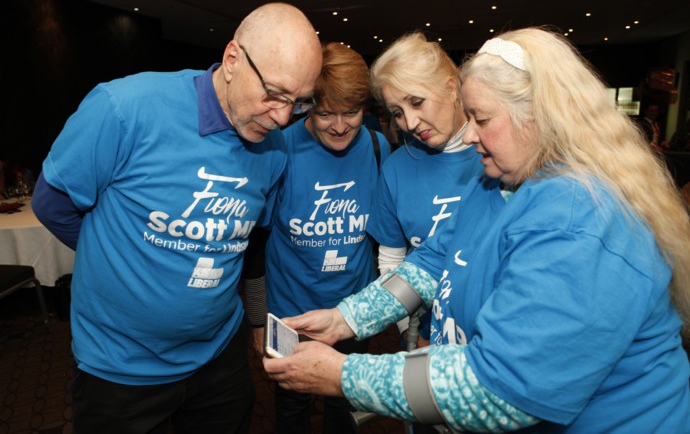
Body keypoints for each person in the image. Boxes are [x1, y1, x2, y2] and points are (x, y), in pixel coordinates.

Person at [263, 27, 690, 433]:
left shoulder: (582, 219)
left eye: (481, 119)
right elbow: (429, 265)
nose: (469, 136)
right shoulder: (496, 183)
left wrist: (345, 375)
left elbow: (503, 388)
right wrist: (346, 319)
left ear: (539, 116)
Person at [31, 2, 322, 434]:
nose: (282, 117)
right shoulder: (124, 109)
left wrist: (257, 319)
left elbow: (252, 241)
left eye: (298, 103)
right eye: (274, 93)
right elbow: (52, 204)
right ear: (231, 59)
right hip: (120, 367)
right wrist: (121, 256)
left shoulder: (274, 150)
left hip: (218, 358)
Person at [262, 42, 391, 434]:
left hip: (354, 311)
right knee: (292, 408)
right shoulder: (279, 147)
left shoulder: (376, 146)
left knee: (344, 407)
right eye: (325, 114)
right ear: (306, 107)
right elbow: (254, 237)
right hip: (291, 314)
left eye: (350, 113)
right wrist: (256, 316)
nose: (339, 126)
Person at [366, 32, 504, 351]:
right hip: (429, 335)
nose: (410, 122)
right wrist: (408, 334)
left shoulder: (501, 153)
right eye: (397, 112)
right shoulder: (396, 168)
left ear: (452, 86)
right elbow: (392, 260)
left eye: (416, 101)